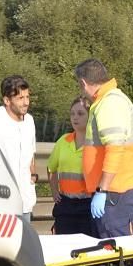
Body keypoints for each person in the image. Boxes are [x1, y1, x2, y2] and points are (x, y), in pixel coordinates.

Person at [74, 58, 133, 266]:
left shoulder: (109, 104)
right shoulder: (109, 101)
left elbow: (114, 150)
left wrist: (101, 190)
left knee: (120, 257)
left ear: (84, 82)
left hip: (115, 192)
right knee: (113, 256)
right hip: (114, 191)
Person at [0, 75, 36, 224]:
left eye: (27, 97)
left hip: (25, 200)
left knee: (23, 245)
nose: (26, 102)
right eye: (20, 98)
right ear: (7, 100)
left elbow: (31, 151)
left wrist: (33, 175)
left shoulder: (30, 121)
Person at [46, 97, 93, 235]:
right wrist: (54, 191)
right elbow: (51, 168)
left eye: (80, 113)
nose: (75, 118)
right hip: (66, 205)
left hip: (88, 205)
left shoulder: (95, 144)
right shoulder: (63, 141)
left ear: (90, 116)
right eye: (72, 114)